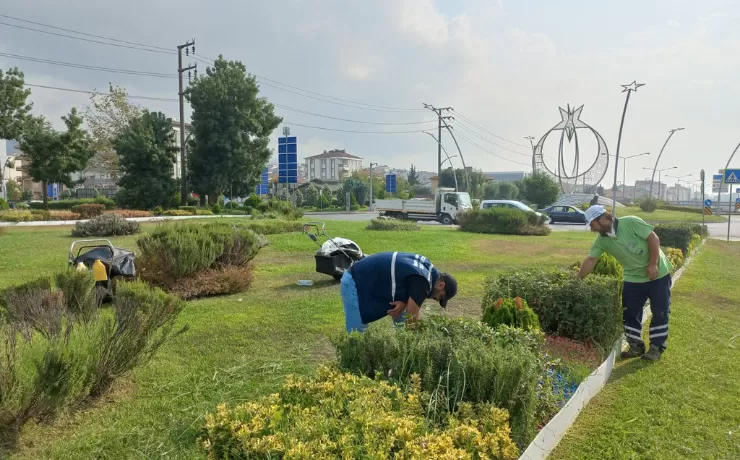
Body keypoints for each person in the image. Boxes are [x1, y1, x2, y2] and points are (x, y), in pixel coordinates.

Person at [577, 205, 673, 361]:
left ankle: (656, 348)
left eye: (592, 224)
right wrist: (578, 278)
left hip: (658, 274)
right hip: (633, 278)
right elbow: (591, 259)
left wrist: (653, 264)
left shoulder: (630, 223)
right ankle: (636, 346)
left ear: (602, 218)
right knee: (629, 312)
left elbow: (653, 238)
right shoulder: (602, 241)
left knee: (660, 311)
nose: (591, 228)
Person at [340, 251, 457, 333]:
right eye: (441, 297)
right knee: (356, 337)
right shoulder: (424, 282)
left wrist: (405, 302)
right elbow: (411, 320)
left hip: (369, 280)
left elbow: (406, 280)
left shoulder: (427, 268)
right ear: (441, 285)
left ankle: (401, 354)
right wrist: (417, 344)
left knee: (401, 316)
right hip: (356, 282)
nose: (436, 300)